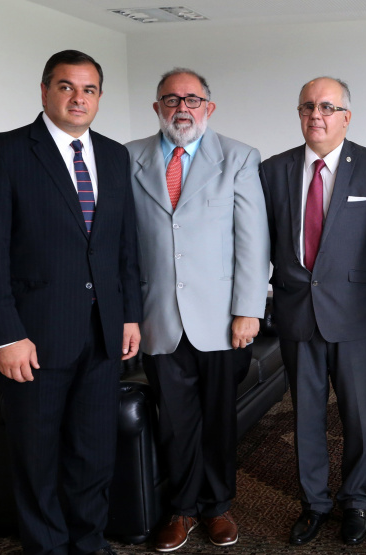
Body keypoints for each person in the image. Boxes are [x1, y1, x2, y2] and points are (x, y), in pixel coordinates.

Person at [0, 50, 142, 555]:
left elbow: (123, 244)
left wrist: (129, 314)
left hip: (104, 332)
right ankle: (46, 547)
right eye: (66, 87)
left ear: (99, 98)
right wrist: (6, 333)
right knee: (36, 457)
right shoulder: (3, 152)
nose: (78, 98)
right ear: (44, 92)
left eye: (88, 90)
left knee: (93, 454)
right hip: (32, 337)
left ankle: (89, 544)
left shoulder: (112, 154)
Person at [125, 68, 270, 552]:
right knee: (175, 420)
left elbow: (253, 242)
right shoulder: (129, 158)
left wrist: (248, 309)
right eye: (170, 99)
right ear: (157, 108)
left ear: (209, 106)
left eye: (192, 98)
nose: (181, 107)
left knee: (218, 418)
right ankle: (182, 509)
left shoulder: (239, 157)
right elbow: (122, 246)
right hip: (158, 318)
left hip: (223, 319)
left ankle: (218, 507)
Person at [261, 76, 366, 547]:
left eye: (326, 107)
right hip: (297, 312)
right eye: (306, 107)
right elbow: (261, 242)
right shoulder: (273, 170)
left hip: (354, 314)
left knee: (358, 415)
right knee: (306, 415)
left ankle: (356, 500)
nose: (315, 115)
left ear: (345, 116)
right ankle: (314, 503)